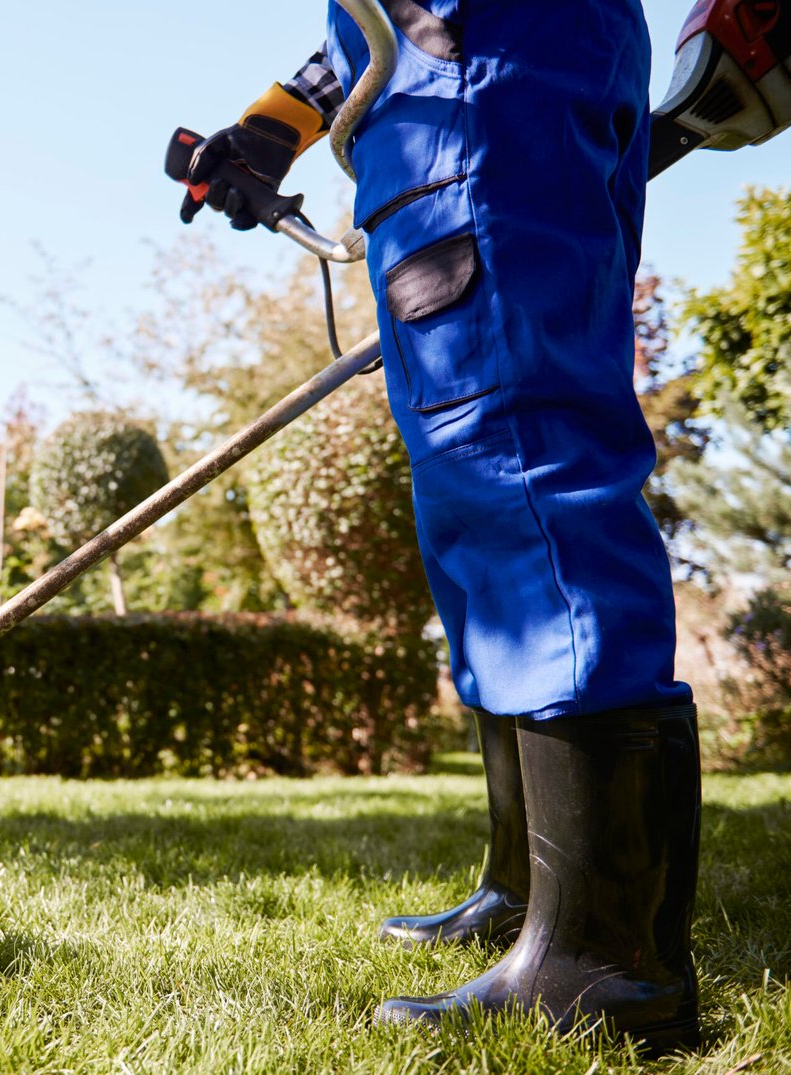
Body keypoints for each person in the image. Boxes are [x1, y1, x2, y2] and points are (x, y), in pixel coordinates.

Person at [179, 0, 701, 1052]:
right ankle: (529, 893)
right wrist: (277, 120)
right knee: (471, 493)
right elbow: (368, 27)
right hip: (447, 82)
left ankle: (605, 956)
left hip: (484, 70)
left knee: (514, 453)